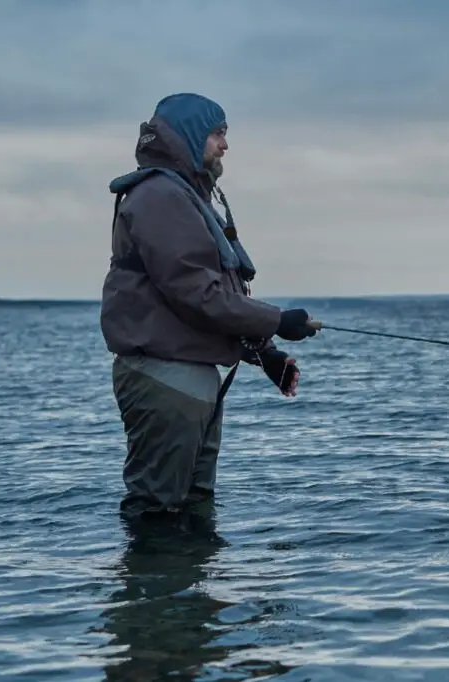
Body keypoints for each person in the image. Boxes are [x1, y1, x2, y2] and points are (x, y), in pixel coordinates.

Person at [100, 92, 316, 519]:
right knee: (158, 514)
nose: (225, 145)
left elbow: (209, 294)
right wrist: (277, 320)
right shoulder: (160, 197)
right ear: (190, 135)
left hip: (189, 380)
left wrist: (266, 354)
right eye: (219, 133)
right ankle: (150, 586)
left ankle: (187, 588)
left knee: (194, 512)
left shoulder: (183, 196)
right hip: (165, 378)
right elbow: (195, 293)